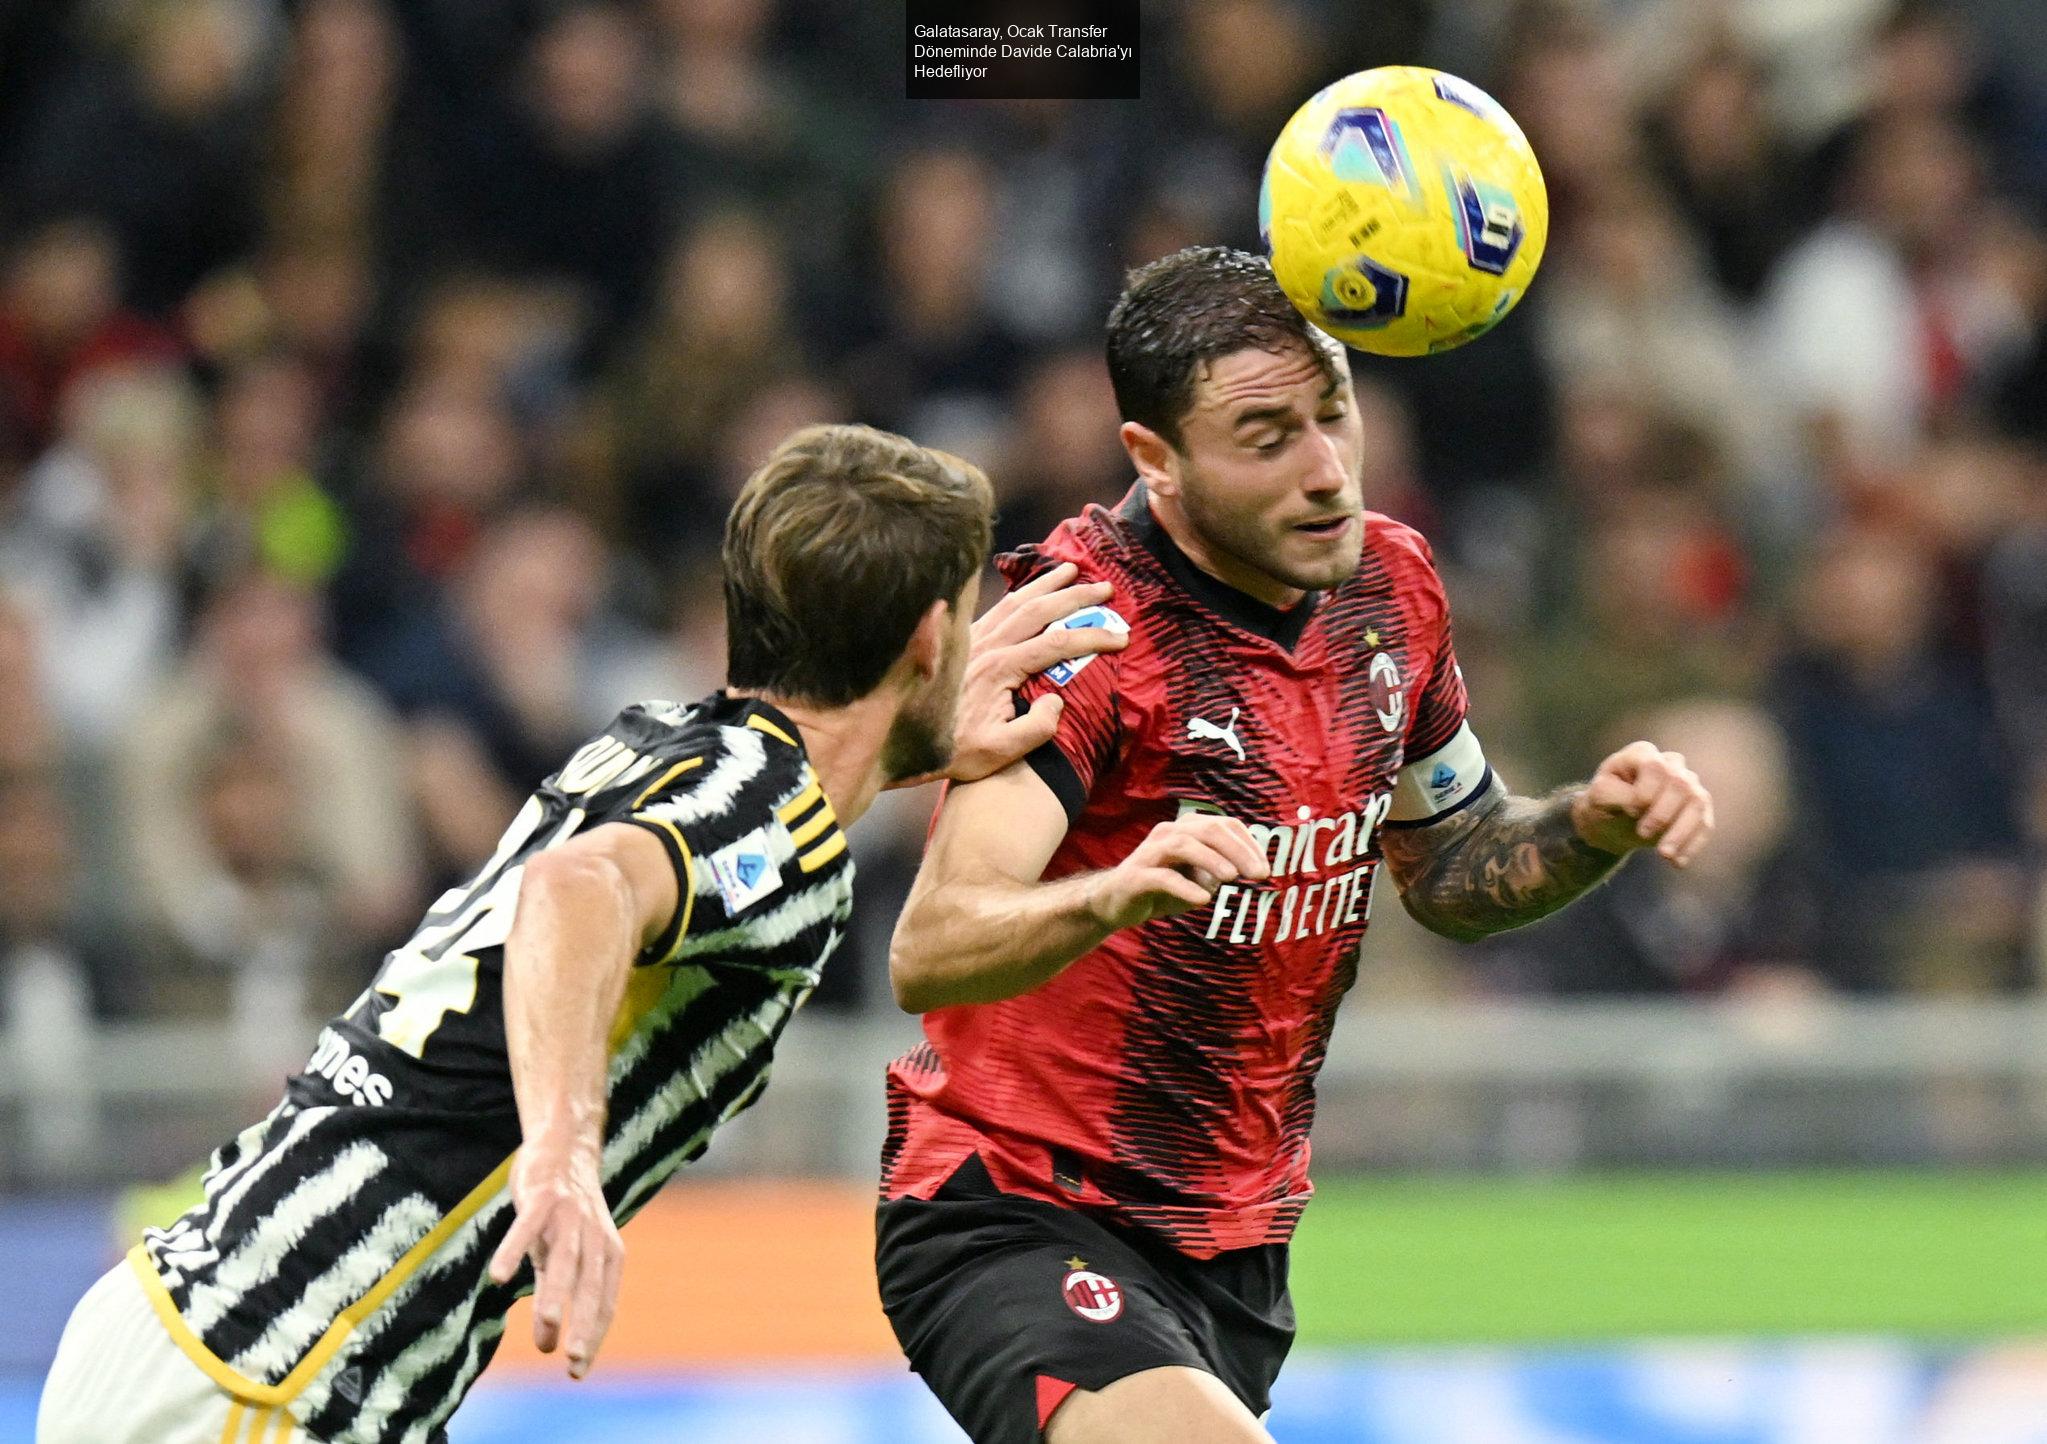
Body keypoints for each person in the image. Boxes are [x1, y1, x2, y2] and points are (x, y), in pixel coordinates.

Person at [37, 422, 1125, 1444]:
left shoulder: (668, 744)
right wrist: (560, 1154)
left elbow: (712, 836)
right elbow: (578, 886)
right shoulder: (769, 812)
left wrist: (908, 734)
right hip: (277, 1364)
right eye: (966, 613)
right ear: (932, 638)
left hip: (213, 1325)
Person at [876, 248, 1717, 1444]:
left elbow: (1453, 865)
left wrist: (1588, 824)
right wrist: (1113, 895)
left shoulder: (1392, 587)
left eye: (1334, 414)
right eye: (1265, 435)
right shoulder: (1084, 630)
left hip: (1237, 1247)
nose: (1326, 470)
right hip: (1017, 1207)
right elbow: (936, 943)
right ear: (1153, 461)